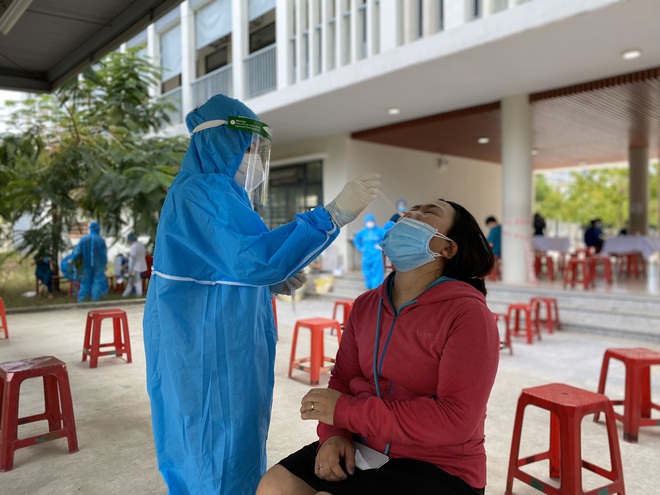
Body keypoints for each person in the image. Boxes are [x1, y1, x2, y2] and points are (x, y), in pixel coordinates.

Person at [142, 93, 381, 495]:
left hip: (219, 336)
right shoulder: (203, 191)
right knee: (212, 442)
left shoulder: (220, 193)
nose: (253, 158)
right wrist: (331, 215)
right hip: (203, 347)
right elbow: (254, 259)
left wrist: (268, 279)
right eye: (248, 147)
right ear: (220, 142)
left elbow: (223, 263)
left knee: (231, 438)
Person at [257, 199, 499, 495]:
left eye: (429, 212)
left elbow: (456, 419)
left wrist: (347, 413)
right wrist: (334, 434)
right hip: (362, 445)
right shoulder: (366, 305)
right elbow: (343, 378)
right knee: (274, 486)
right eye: (412, 209)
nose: (411, 214)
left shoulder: (467, 314)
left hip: (439, 464)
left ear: (448, 248)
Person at [72, 221, 108, 303]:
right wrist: (105, 263)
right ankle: (95, 300)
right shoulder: (100, 240)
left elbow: (78, 252)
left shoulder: (84, 239)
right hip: (98, 265)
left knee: (85, 282)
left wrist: (73, 260)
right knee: (97, 282)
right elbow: (104, 253)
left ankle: (81, 300)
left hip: (86, 264)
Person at [353, 213, 386, 289]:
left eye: (371, 221)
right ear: (365, 222)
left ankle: (376, 288)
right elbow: (356, 240)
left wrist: (381, 245)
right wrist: (361, 248)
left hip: (376, 255)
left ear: (374, 221)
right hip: (366, 255)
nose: (370, 223)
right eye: (368, 221)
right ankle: (369, 285)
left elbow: (387, 237)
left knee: (377, 271)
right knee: (366, 270)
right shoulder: (362, 232)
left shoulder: (379, 230)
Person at [122, 233, 148, 297]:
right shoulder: (141, 245)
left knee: (136, 281)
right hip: (140, 266)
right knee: (131, 282)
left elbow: (132, 258)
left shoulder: (134, 246)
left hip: (134, 267)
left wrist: (130, 269)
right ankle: (124, 295)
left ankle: (139, 294)